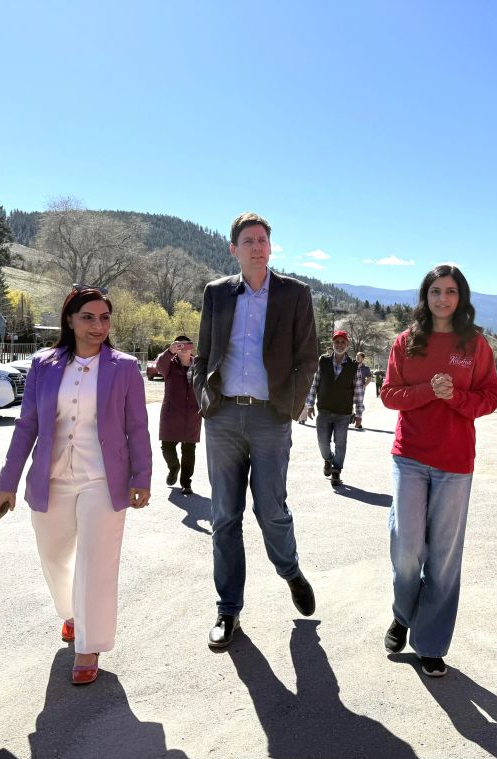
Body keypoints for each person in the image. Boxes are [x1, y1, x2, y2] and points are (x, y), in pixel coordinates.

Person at [0, 285, 152, 686]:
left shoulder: (125, 367)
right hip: (52, 478)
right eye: (88, 317)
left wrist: (142, 477)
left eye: (104, 318)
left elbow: (137, 426)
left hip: (104, 479)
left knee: (97, 561)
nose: (98, 325)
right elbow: (27, 425)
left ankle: (88, 645)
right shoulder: (44, 364)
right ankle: (71, 613)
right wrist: (6, 484)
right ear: (70, 320)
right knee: (54, 555)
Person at [194, 212, 319, 651]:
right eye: (248, 241)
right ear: (234, 249)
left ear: (271, 247)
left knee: (271, 510)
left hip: (270, 418)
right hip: (224, 417)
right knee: (225, 517)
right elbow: (203, 353)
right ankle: (229, 610)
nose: (257, 247)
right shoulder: (216, 294)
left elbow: (309, 356)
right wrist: (203, 399)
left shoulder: (295, 294)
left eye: (263, 240)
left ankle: (290, 571)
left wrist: (290, 405)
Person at [379, 264, 497, 677]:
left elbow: (489, 398)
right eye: (435, 291)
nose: (442, 298)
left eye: (450, 291)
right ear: (425, 296)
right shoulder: (405, 342)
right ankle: (402, 614)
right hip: (409, 457)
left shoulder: (475, 344)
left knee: (444, 560)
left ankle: (430, 642)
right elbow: (389, 395)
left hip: (454, 461)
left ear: (460, 297)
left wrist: (457, 399)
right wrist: (430, 389)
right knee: (407, 550)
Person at [305, 330, 364, 487]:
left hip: (343, 413)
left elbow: (358, 391)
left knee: (341, 442)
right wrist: (309, 404)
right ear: (333, 344)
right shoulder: (323, 361)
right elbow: (314, 382)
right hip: (324, 410)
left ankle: (336, 470)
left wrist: (359, 413)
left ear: (347, 345)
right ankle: (329, 459)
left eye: (342, 342)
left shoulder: (354, 366)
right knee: (322, 442)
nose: (339, 345)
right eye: (337, 342)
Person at [156, 335, 202, 496]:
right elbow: (159, 366)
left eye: (188, 344)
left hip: (192, 414)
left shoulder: (198, 365)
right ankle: (173, 467)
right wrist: (169, 351)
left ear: (192, 347)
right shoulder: (169, 364)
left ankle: (186, 483)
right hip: (171, 413)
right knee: (167, 446)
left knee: (189, 449)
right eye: (180, 345)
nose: (184, 348)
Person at [353, 352, 372, 429]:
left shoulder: (366, 368)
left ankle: (358, 423)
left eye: (359, 357)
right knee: (347, 403)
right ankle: (351, 417)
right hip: (350, 387)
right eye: (356, 356)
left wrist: (365, 385)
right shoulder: (352, 366)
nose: (357, 358)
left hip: (360, 389)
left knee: (359, 405)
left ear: (363, 358)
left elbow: (369, 378)